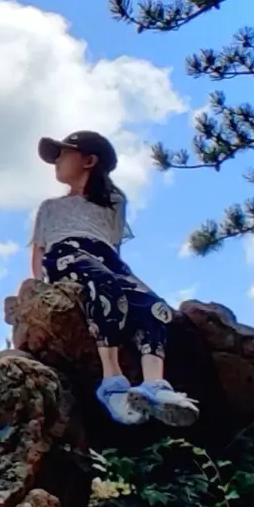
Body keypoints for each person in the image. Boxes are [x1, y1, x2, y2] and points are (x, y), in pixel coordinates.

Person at [30, 129, 199, 428]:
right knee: (103, 284)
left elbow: (113, 245)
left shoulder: (114, 201)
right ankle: (112, 385)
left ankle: (154, 385)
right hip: (65, 254)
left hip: (105, 257)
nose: (56, 161)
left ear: (89, 160)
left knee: (153, 306)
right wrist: (39, 289)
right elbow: (39, 250)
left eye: (63, 153)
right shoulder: (50, 207)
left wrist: (122, 275)